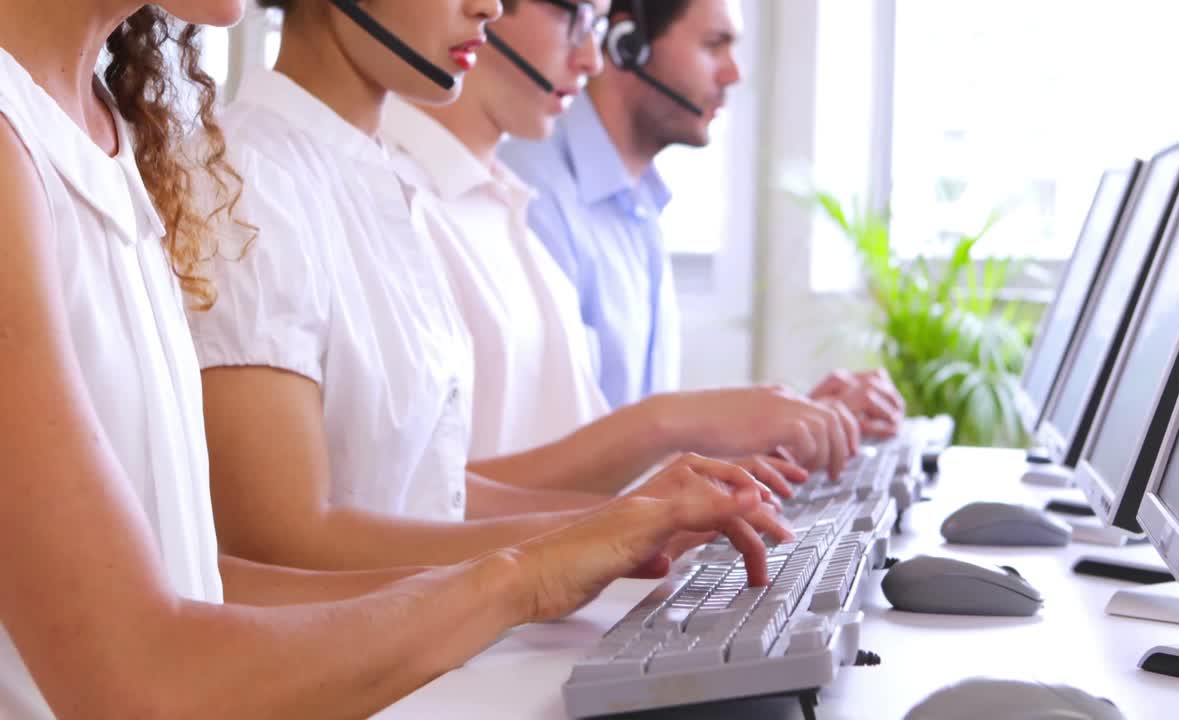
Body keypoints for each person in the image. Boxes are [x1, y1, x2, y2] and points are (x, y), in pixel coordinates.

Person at [0, 1, 797, 716]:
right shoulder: (91, 156)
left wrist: (589, 543)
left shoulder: (119, 135)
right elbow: (144, 671)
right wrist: (525, 574)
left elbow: (202, 578)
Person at [190, 0, 823, 575]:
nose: (489, 7)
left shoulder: (377, 177)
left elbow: (431, 494)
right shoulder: (245, 179)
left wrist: (641, 516)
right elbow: (278, 542)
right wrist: (589, 538)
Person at [379, 0, 860, 497]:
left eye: (597, 25)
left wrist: (773, 437)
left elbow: (594, 462)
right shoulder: (454, 196)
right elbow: (423, 499)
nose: (592, 59)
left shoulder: (507, 198)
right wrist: (671, 431)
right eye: (713, 44)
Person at [500, 0, 906, 436]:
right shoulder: (529, 193)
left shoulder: (638, 204)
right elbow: (553, 460)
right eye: (714, 45)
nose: (734, 73)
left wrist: (792, 424)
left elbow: (638, 451)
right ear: (625, 44)